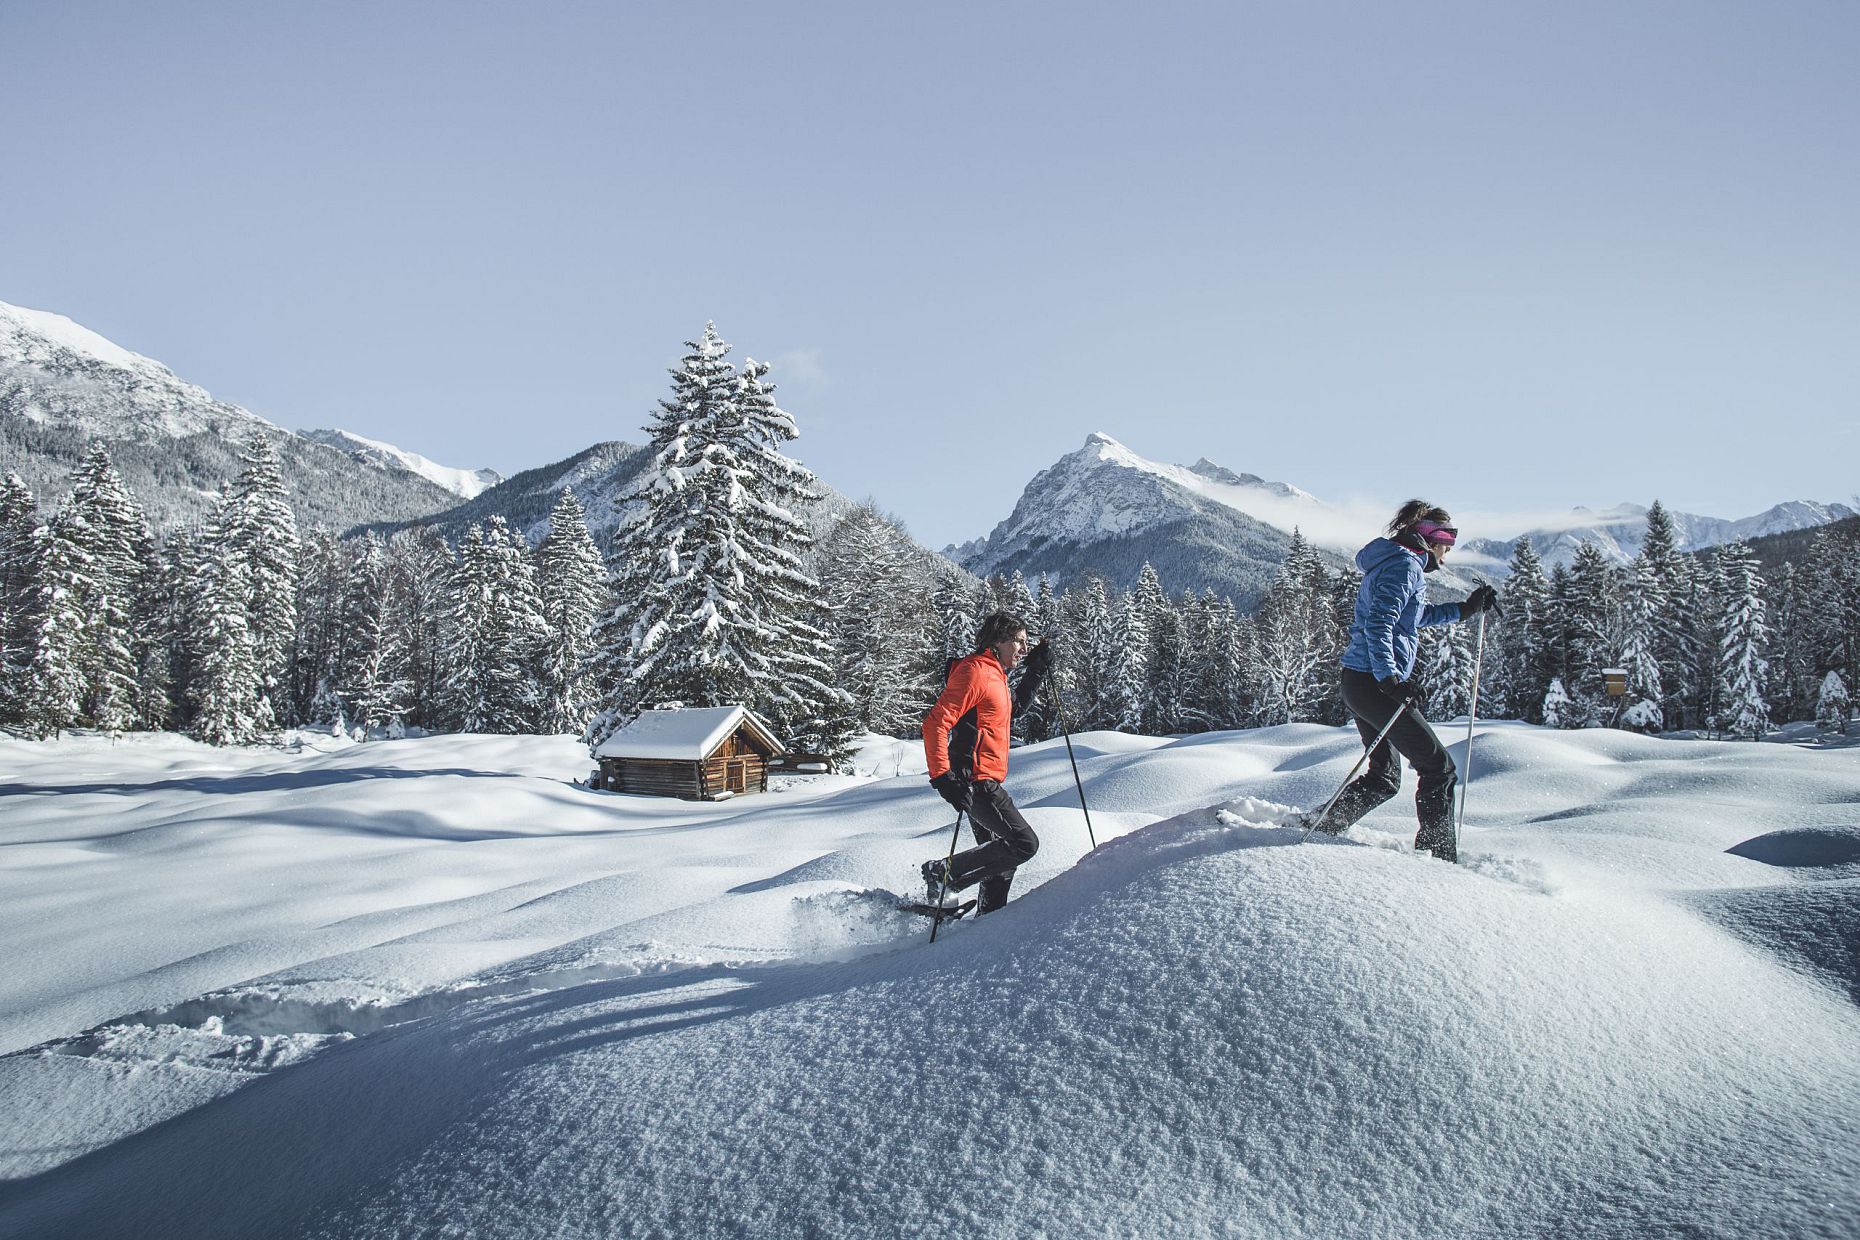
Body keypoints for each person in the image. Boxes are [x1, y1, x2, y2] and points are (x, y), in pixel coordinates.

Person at [1312, 500, 1498, 862]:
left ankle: (1319, 825)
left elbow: (1407, 619)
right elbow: (1380, 623)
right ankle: (1438, 860)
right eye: (1446, 537)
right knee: (1438, 768)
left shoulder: (1395, 561)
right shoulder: (1404, 565)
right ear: (1426, 537)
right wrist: (1390, 679)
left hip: (1359, 681)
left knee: (1384, 778)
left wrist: (1464, 610)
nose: (1448, 548)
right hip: (1373, 683)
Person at [920, 611, 1054, 914]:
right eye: (1019, 641)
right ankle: (943, 873)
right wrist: (943, 779)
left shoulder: (994, 674)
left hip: (981, 778)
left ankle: (987, 923)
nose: (1024, 648)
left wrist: (1035, 671)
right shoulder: (976, 672)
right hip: (975, 781)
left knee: (1001, 859)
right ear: (998, 640)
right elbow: (935, 724)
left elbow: (1011, 711)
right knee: (1022, 844)